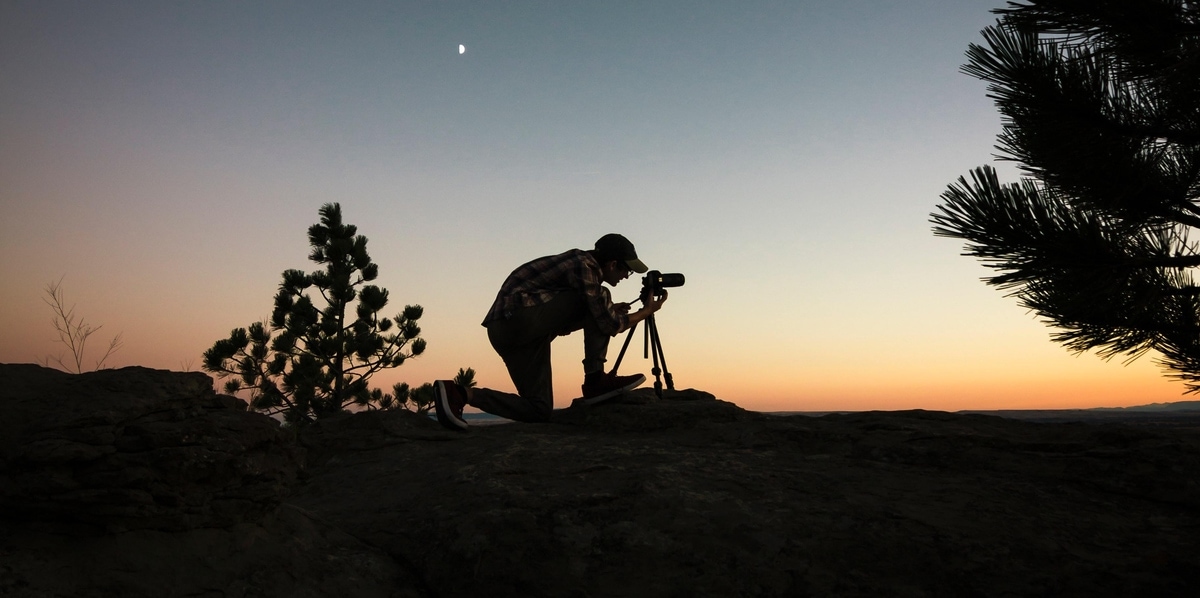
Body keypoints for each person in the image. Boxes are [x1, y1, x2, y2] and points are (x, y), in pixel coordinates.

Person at [433, 233, 667, 430]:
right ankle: (595, 380)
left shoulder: (579, 268)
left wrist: (606, 311)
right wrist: (647, 311)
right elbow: (610, 325)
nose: (626, 277)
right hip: (518, 318)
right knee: (602, 299)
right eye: (626, 271)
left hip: (510, 333)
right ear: (612, 264)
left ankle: (460, 394)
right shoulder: (584, 265)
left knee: (539, 409)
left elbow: (569, 320)